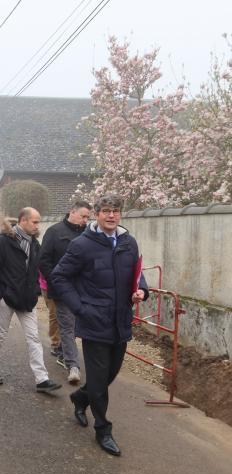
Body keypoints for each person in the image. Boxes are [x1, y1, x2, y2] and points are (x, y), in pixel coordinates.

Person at [51, 194, 148, 457]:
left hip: (120, 321)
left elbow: (138, 274)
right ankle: (103, 429)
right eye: (106, 210)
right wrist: (81, 308)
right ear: (96, 213)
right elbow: (59, 277)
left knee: (109, 375)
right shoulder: (82, 245)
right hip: (94, 322)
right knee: (98, 381)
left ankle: (81, 398)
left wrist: (141, 290)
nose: (111, 215)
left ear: (120, 214)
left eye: (115, 211)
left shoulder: (129, 242)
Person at [0, 210, 61, 393]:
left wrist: (36, 291)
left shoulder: (35, 244)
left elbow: (40, 269)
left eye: (38, 222)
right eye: (34, 222)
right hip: (7, 299)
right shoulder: (2, 241)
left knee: (34, 338)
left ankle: (42, 379)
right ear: (22, 221)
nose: (37, 226)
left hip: (27, 300)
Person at [39, 200, 92, 384]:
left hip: (83, 290)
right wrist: (55, 280)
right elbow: (43, 260)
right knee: (67, 326)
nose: (85, 220)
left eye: (88, 217)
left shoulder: (89, 234)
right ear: (72, 212)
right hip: (62, 291)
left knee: (76, 326)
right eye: (83, 216)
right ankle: (73, 366)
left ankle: (63, 350)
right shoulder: (54, 232)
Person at [39, 271, 62, 359]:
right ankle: (55, 343)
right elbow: (42, 266)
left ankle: (61, 342)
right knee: (54, 315)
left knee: (63, 315)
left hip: (61, 284)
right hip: (47, 286)